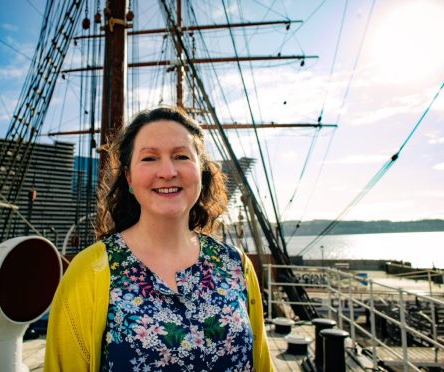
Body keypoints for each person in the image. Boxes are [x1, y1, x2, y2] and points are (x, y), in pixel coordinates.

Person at [45, 107, 274, 371]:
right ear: (129, 178)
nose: (167, 171)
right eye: (149, 158)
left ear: (201, 172)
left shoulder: (236, 265)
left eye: (181, 156)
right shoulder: (89, 271)